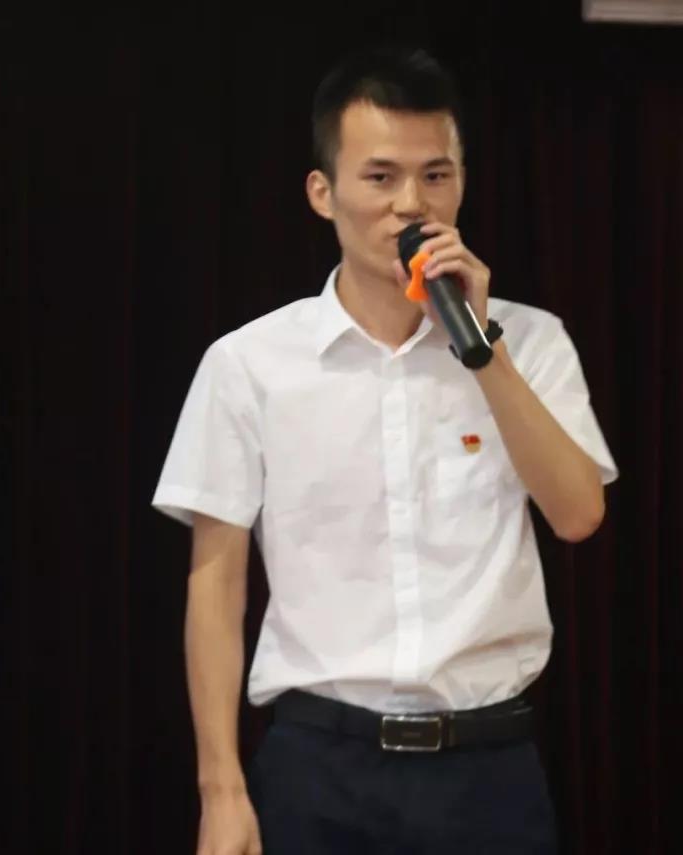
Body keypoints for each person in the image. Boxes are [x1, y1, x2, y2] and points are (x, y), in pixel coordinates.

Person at [152, 44, 618, 855]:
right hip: (319, 764)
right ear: (322, 192)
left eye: (436, 175)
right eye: (380, 177)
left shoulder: (531, 340)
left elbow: (578, 513)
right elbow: (216, 584)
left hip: (488, 767)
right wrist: (220, 788)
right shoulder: (250, 364)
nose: (411, 203)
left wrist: (480, 346)